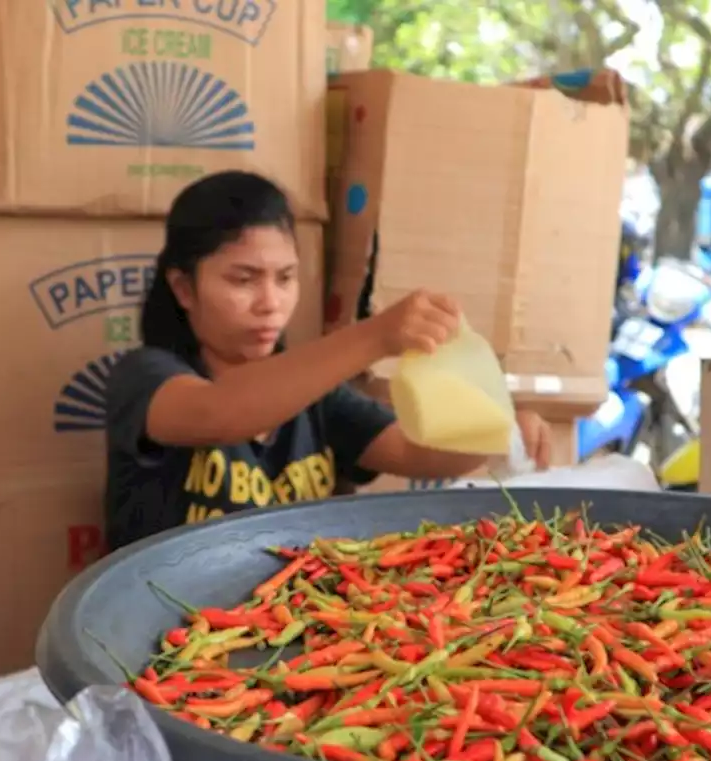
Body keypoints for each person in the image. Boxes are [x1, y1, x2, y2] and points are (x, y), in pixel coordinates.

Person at [103, 171, 552, 549]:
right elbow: (218, 411)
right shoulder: (144, 378)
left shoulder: (316, 396)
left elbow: (414, 450)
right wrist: (376, 334)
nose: (270, 303)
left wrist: (500, 432)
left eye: (285, 278)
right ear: (184, 289)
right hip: (168, 629)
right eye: (244, 280)